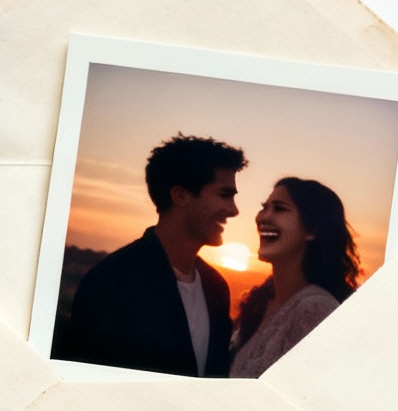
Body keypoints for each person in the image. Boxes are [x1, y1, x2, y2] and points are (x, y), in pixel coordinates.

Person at [55, 134, 246, 377]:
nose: (234, 209)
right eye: (224, 194)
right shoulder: (111, 282)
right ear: (180, 196)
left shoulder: (216, 287)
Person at [229, 178, 360, 378]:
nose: (263, 217)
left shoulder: (315, 311)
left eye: (279, 209)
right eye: (264, 207)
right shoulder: (261, 302)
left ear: (311, 230)